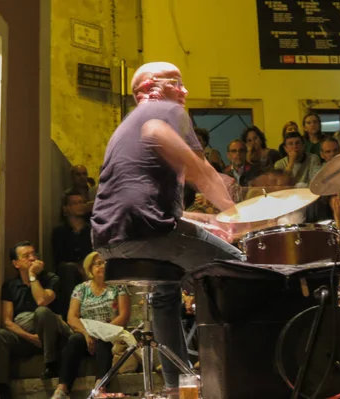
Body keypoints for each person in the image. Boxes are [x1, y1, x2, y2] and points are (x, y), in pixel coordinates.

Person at [91, 61, 243, 391]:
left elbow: (137, 201)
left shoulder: (125, 127)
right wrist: (237, 215)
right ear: (153, 88)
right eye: (177, 82)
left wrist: (207, 220)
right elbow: (203, 173)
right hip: (148, 231)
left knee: (166, 292)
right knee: (240, 271)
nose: (185, 91)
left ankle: (179, 387)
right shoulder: (167, 112)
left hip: (108, 238)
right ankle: (241, 374)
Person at [0, 241, 71, 399]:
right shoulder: (11, 285)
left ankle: (51, 364)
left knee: (42, 311)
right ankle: (1, 388)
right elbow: (7, 321)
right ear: (16, 263)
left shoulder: (51, 279)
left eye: (34, 254)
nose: (32, 258)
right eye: (26, 256)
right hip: (27, 338)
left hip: (51, 337)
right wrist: (31, 338)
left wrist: (33, 276)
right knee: (0, 334)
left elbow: (42, 300)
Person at [51, 252, 130, 399]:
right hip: (86, 333)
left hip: (109, 333)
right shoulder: (81, 289)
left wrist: (102, 331)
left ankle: (100, 387)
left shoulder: (118, 287)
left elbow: (124, 316)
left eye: (105, 262)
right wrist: (87, 334)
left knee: (103, 342)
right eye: (98, 263)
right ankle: (62, 388)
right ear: (90, 268)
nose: (102, 266)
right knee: (74, 340)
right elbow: (72, 317)